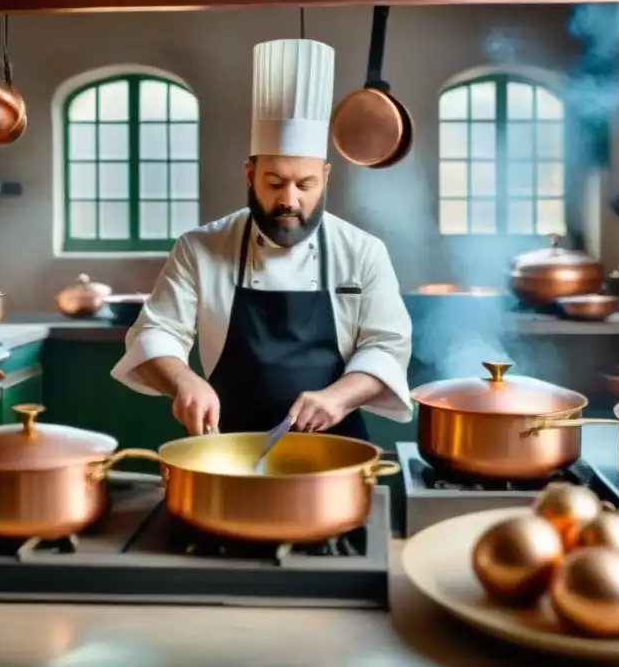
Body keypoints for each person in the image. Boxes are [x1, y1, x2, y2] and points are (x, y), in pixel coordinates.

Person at [110, 38, 413, 439]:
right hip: (228, 448)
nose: (289, 201)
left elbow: (387, 346)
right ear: (250, 176)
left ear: (326, 177)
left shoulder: (362, 251)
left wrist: (339, 397)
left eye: (305, 185)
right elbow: (155, 332)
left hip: (337, 450)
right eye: (274, 183)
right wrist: (184, 380)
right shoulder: (199, 248)